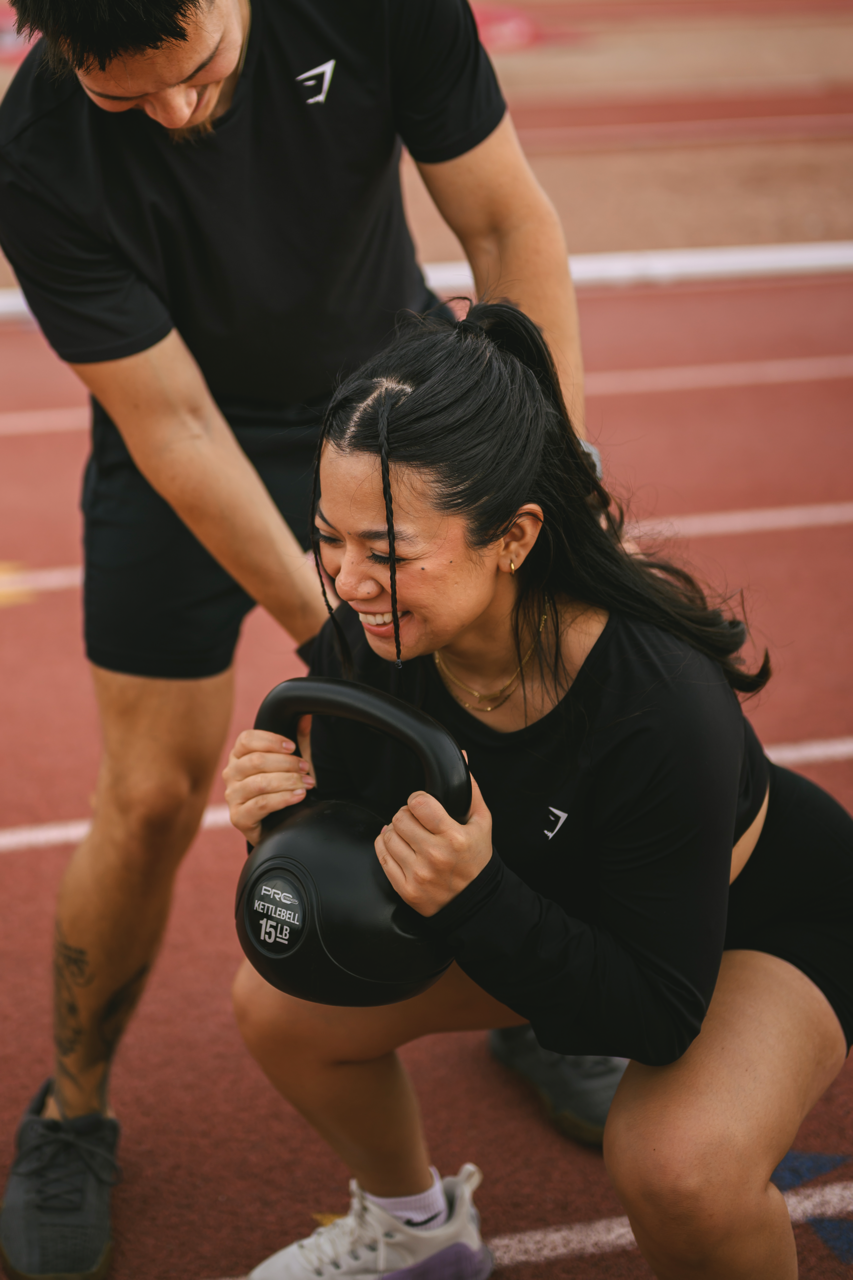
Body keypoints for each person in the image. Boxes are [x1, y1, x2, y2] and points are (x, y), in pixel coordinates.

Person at [0, 0, 617, 1276]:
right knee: (154, 791)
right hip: (187, 444)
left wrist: (545, 473)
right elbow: (172, 427)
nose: (175, 114)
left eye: (196, 73)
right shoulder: (36, 153)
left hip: (395, 396)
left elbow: (505, 224)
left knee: (520, 710)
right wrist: (342, 631)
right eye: (129, 98)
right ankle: (71, 1107)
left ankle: (544, 1006)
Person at [223, 302, 853, 1280]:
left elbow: (653, 1012)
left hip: (754, 924)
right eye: (327, 539)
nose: (346, 580)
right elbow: (374, 847)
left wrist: (479, 897)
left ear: (513, 536)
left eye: (386, 551)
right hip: (547, 902)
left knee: (676, 1167)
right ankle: (418, 1235)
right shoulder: (378, 630)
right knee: (282, 1004)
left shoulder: (657, 700)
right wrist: (291, 822)